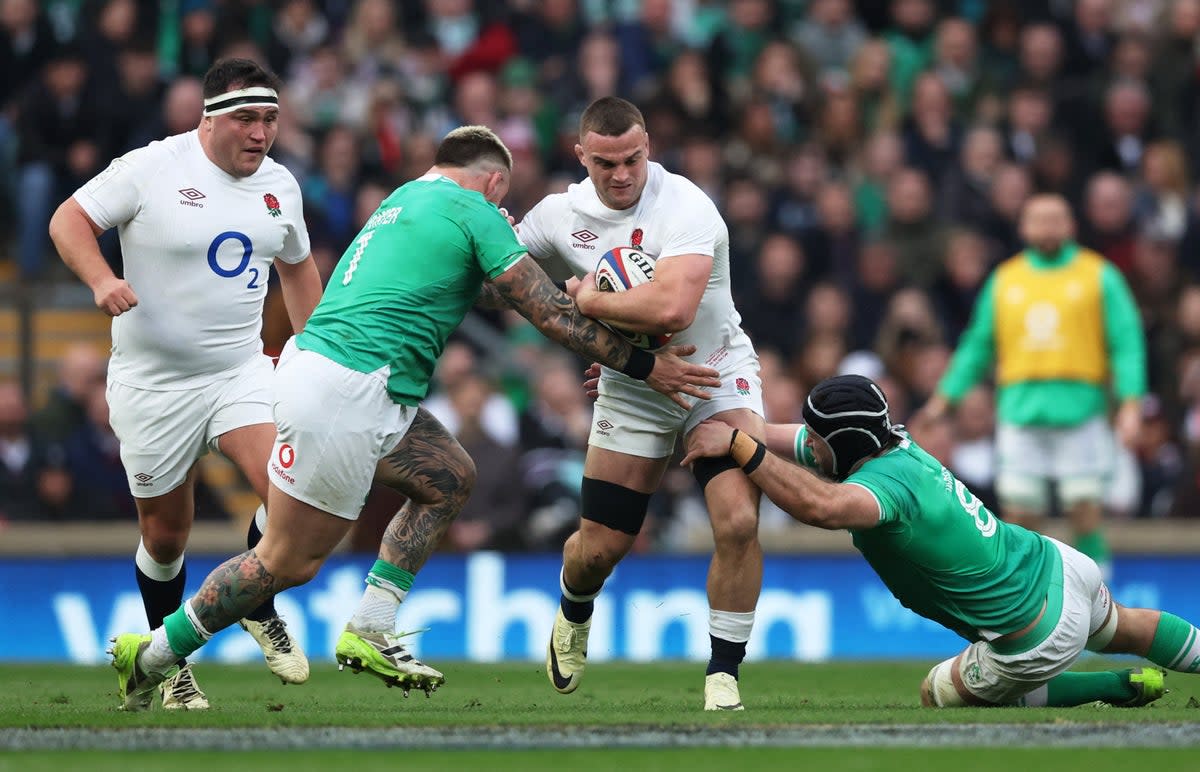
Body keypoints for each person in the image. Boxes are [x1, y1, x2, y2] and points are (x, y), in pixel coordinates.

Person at [107, 124, 720, 711]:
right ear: (494, 185)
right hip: (347, 389)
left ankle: (371, 625)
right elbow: (551, 315)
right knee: (285, 562)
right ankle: (154, 656)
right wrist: (645, 367)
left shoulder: (406, 199)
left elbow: (470, 286)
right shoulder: (472, 210)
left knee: (449, 477)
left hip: (349, 382)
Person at [49, 58, 324, 710]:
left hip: (238, 371)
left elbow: (298, 269)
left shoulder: (280, 185)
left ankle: (258, 599)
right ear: (210, 117)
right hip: (154, 384)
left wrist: (315, 353)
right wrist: (101, 280)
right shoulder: (153, 167)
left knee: (291, 491)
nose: (262, 132)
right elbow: (68, 221)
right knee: (167, 535)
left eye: (271, 119)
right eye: (248, 118)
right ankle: (163, 663)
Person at [682, 374, 1200, 708]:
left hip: (1032, 633)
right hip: (1060, 567)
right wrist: (697, 411)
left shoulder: (884, 494)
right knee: (1126, 626)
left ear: (843, 445)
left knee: (938, 692)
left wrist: (738, 447)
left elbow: (819, 506)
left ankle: (1111, 687)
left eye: (817, 442)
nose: (808, 447)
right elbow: (785, 437)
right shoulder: (896, 442)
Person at [517, 97, 766, 711]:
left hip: (713, 374)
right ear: (581, 156)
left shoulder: (686, 206)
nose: (622, 173)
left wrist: (587, 302)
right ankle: (575, 609)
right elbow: (500, 280)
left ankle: (722, 675)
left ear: (648, 144)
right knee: (599, 548)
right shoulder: (556, 215)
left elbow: (673, 310)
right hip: (633, 385)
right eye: (605, 163)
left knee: (737, 520)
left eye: (632, 158)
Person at [919, 194, 1146, 578]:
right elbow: (978, 345)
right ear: (1023, 227)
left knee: (1084, 509)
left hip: (1081, 409)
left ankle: (1098, 604)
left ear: (1071, 225)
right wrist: (945, 398)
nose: (1047, 226)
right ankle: (1031, 604)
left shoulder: (1098, 274)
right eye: (1038, 219)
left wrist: (1131, 403)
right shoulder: (1006, 279)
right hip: (1021, 411)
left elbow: (1126, 342)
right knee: (1020, 512)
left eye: (1056, 218)